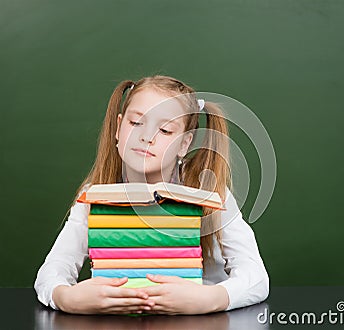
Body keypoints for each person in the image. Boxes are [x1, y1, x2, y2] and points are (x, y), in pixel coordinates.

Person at [34, 75, 269, 315]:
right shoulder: (94, 196)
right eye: (136, 123)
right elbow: (52, 271)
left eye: (165, 130)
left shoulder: (209, 191)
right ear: (118, 127)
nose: (146, 137)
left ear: (184, 144)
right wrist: (65, 297)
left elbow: (257, 278)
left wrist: (212, 298)